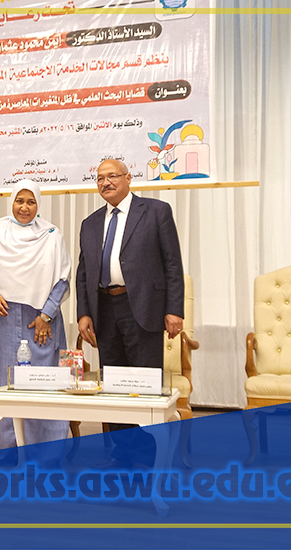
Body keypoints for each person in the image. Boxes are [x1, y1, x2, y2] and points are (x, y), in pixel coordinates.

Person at [76, 159, 184, 467]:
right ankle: (124, 453)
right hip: (104, 309)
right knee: (114, 386)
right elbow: (83, 273)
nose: (105, 182)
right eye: (100, 178)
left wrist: (174, 310)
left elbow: (172, 264)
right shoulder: (90, 223)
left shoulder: (156, 212)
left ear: (128, 178)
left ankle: (151, 455)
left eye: (112, 176)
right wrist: (84, 313)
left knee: (144, 384)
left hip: (144, 308)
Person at [0, 179, 72, 454]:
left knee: (43, 386)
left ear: (38, 204)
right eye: (19, 201)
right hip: (0, 319)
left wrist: (46, 315)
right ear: (12, 201)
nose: (24, 207)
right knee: (0, 385)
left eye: (31, 202)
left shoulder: (51, 234)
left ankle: (44, 452)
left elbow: (63, 279)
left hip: (40, 322)